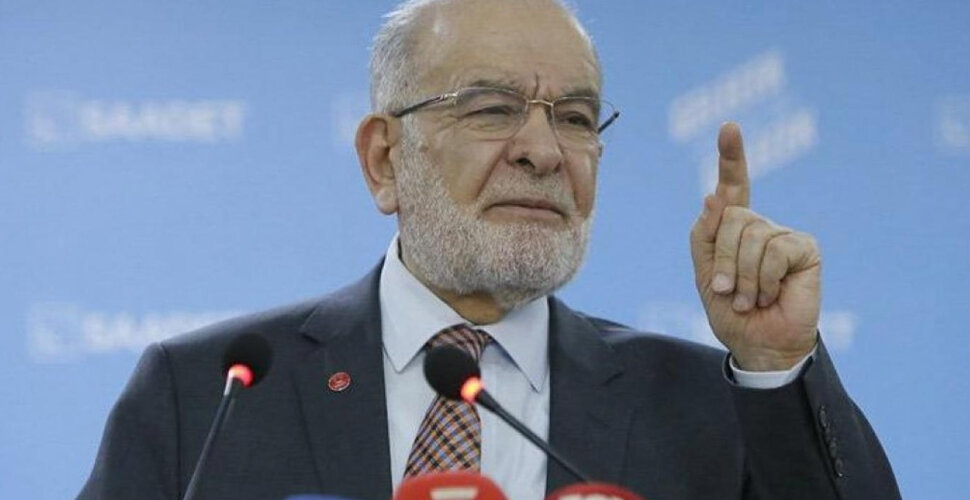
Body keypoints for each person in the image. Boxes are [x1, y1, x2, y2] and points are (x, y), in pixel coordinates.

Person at [78, 0, 901, 499]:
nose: (543, 151)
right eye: (491, 109)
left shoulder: (705, 404)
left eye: (574, 118)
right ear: (384, 159)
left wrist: (774, 366)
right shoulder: (211, 394)